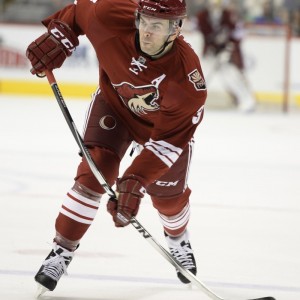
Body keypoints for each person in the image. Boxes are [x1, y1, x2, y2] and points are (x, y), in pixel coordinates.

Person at [26, 0, 207, 295]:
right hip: (114, 107)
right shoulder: (110, 15)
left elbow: (167, 143)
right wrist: (61, 34)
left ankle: (177, 237)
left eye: (157, 26)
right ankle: (61, 251)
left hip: (160, 132)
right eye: (144, 21)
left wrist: (135, 181)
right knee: (93, 175)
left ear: (175, 29)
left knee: (168, 198)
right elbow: (79, 10)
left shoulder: (187, 82)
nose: (147, 32)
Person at [197, 0, 256, 112]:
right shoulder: (202, 15)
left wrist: (229, 48)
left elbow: (237, 33)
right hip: (210, 54)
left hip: (225, 53)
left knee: (231, 77)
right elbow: (202, 33)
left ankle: (247, 101)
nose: (214, 5)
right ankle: (193, 102)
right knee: (200, 77)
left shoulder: (228, 15)